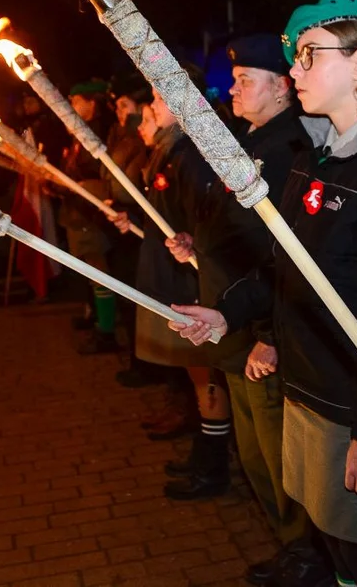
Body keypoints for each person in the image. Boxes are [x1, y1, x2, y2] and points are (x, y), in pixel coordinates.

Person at [171, 0, 357, 587]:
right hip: (306, 388)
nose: (295, 70)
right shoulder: (312, 161)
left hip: (353, 408)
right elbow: (283, 265)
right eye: (296, 56)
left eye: (310, 55)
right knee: (336, 549)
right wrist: (226, 314)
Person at [164, 34, 327, 584]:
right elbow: (230, 223)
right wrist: (196, 243)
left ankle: (305, 554)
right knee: (256, 451)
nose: (233, 89)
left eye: (245, 80)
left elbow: (283, 253)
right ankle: (287, 544)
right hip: (233, 318)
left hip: (262, 324)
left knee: (278, 450)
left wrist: (269, 334)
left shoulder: (286, 151)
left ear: (282, 88)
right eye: (234, 79)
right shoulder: (247, 138)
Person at [108, 80, 217, 449]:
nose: (150, 108)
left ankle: (211, 453)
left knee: (203, 371)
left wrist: (191, 243)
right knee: (188, 368)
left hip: (188, 282)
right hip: (170, 274)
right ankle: (201, 440)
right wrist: (135, 224)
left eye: (157, 99)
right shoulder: (169, 152)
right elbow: (163, 218)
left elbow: (199, 221)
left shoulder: (190, 155)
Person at [59, 81, 121, 353]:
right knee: (91, 270)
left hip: (91, 212)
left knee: (99, 271)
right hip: (79, 210)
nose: (71, 107)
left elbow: (94, 173)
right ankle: (97, 318)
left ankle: (106, 330)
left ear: (91, 102)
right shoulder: (81, 133)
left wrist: (66, 181)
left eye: (75, 101)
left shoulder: (97, 134)